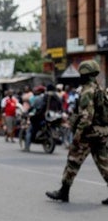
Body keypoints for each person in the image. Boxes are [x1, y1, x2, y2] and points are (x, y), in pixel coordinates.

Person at [46, 60, 108, 204]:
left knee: (73, 161)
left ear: (85, 74)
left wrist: (77, 136)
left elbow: (86, 118)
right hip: (101, 133)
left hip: (88, 134)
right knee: (104, 163)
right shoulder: (100, 89)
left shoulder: (87, 91)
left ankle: (63, 192)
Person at [24, 84, 62, 151]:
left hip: (44, 116)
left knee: (30, 130)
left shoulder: (44, 96)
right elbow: (60, 106)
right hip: (55, 116)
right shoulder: (57, 96)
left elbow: (42, 106)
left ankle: (27, 147)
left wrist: (37, 113)